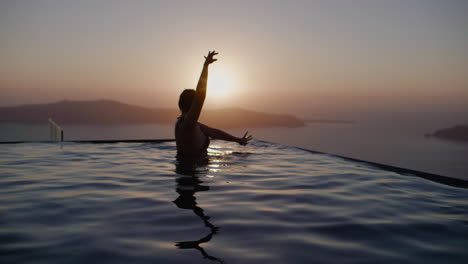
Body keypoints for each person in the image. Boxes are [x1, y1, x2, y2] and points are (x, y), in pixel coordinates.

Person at [175, 50, 252, 156]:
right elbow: (200, 97)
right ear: (192, 105)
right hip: (192, 169)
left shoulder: (186, 124)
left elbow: (214, 132)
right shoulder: (188, 123)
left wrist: (238, 140)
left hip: (189, 169)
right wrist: (205, 66)